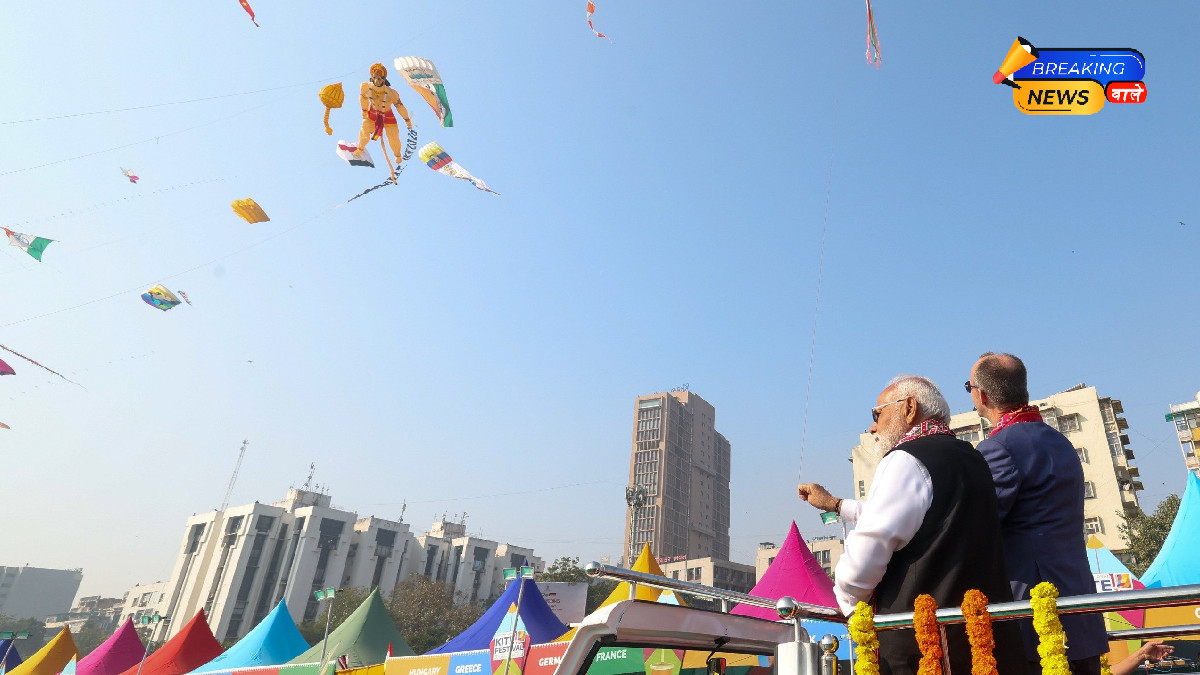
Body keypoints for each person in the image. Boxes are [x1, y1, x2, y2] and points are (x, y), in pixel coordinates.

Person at [798, 375, 1023, 675]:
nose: (872, 427)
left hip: (923, 649)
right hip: (983, 645)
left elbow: (863, 559)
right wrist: (835, 504)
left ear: (909, 408)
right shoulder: (973, 458)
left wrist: (851, 606)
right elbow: (921, 519)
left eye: (877, 414)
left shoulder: (904, 459)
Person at [968, 353, 1109, 674]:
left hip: (1036, 621)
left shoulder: (998, 448)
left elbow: (979, 529)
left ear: (982, 395)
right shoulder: (1060, 442)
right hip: (1081, 613)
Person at [354, 63, 414, 166]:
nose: (378, 80)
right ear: (372, 77)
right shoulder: (365, 87)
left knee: (393, 137)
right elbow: (363, 98)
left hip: (387, 116)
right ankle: (360, 148)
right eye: (375, 77)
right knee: (365, 127)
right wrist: (364, 110)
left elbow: (400, 106)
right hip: (372, 113)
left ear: (384, 79)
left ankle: (397, 155)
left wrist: (407, 119)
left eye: (380, 78)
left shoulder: (391, 93)